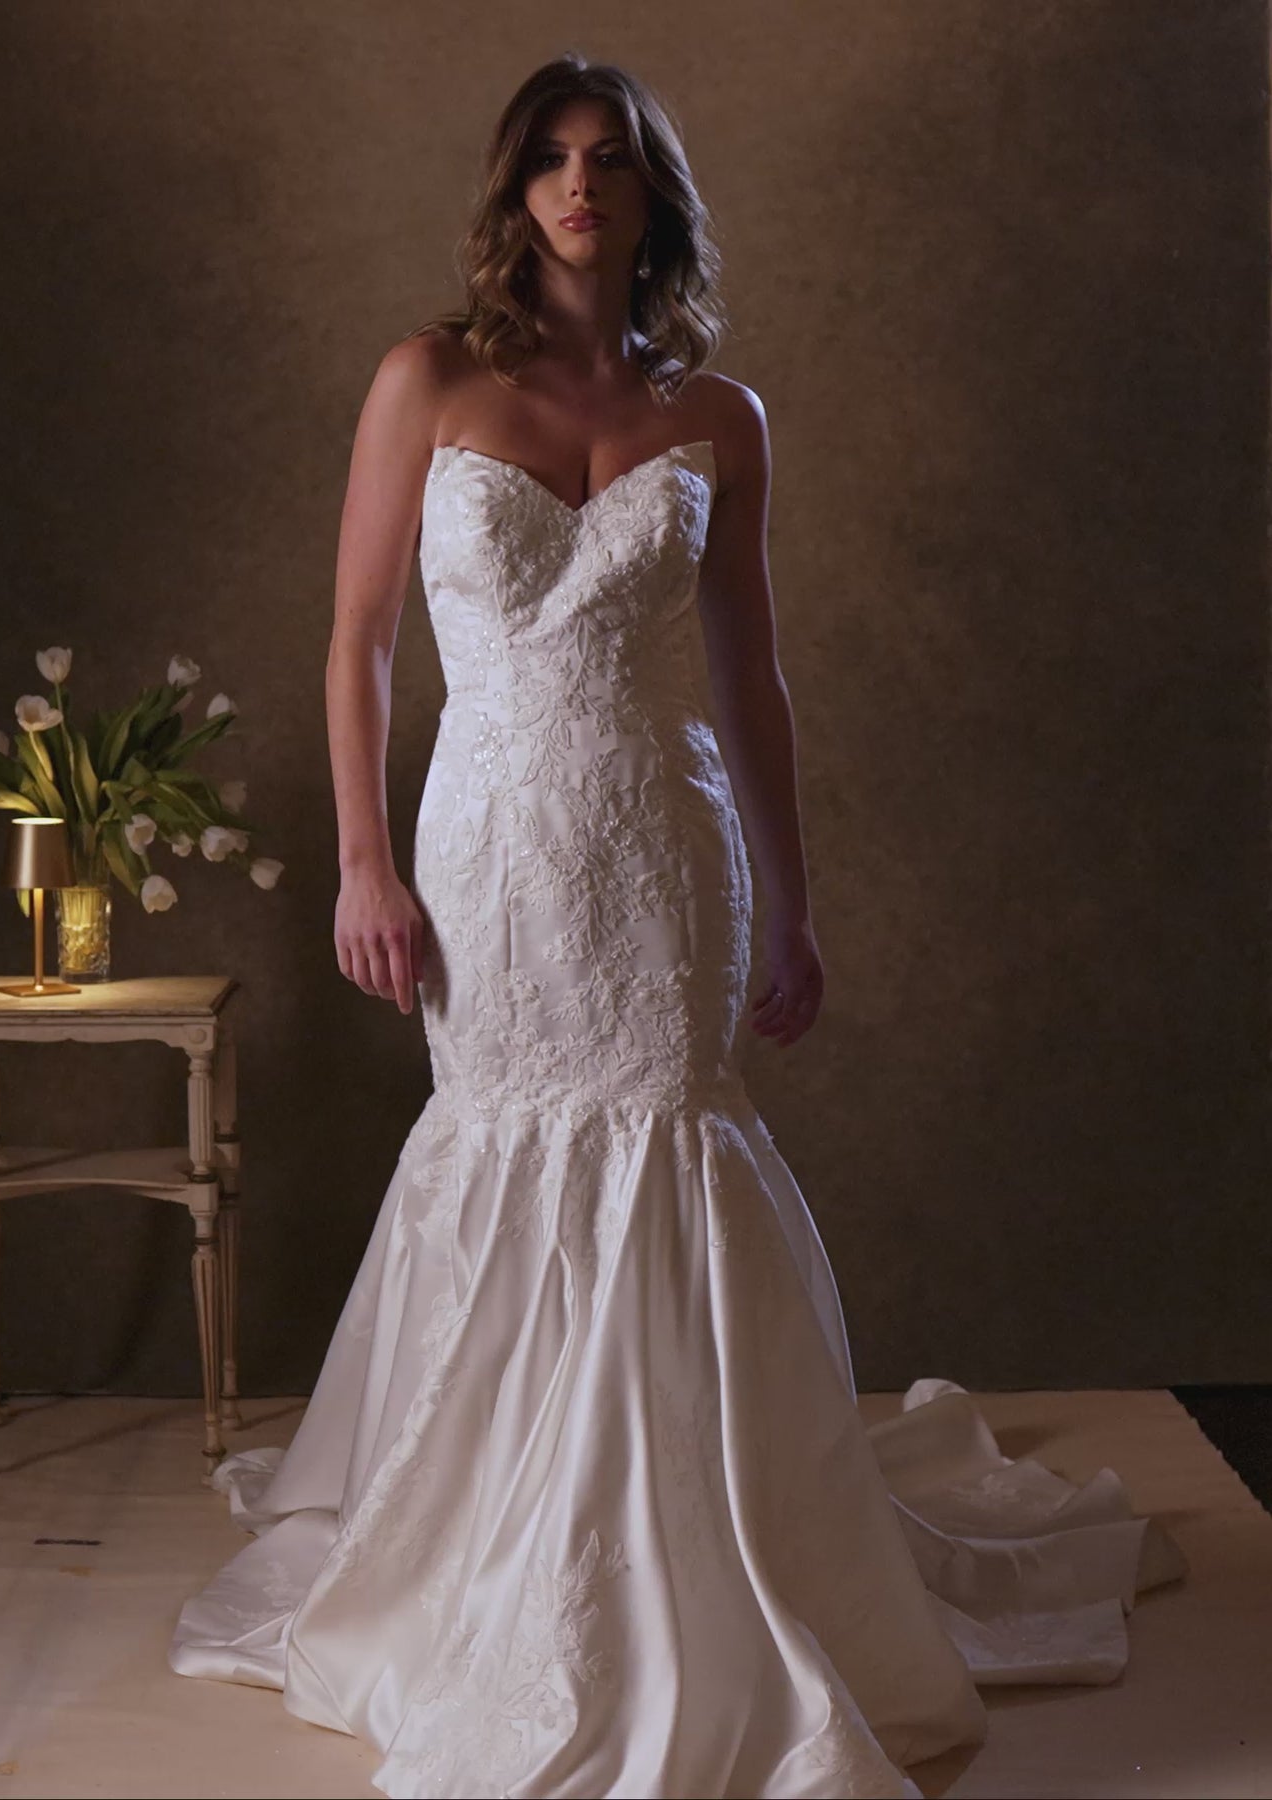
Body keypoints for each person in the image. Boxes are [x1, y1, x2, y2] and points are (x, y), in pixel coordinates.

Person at [169, 52, 1187, 1800]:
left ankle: (701, 1556)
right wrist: (361, 862)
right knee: (505, 1142)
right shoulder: (425, 379)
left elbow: (749, 676)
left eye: (612, 160)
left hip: (663, 848)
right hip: (488, 852)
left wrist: (792, 901)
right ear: (516, 191)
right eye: (551, 160)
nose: (580, 185)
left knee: (662, 1141)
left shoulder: (719, 415)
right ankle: (495, 1542)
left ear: (652, 196)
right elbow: (358, 643)